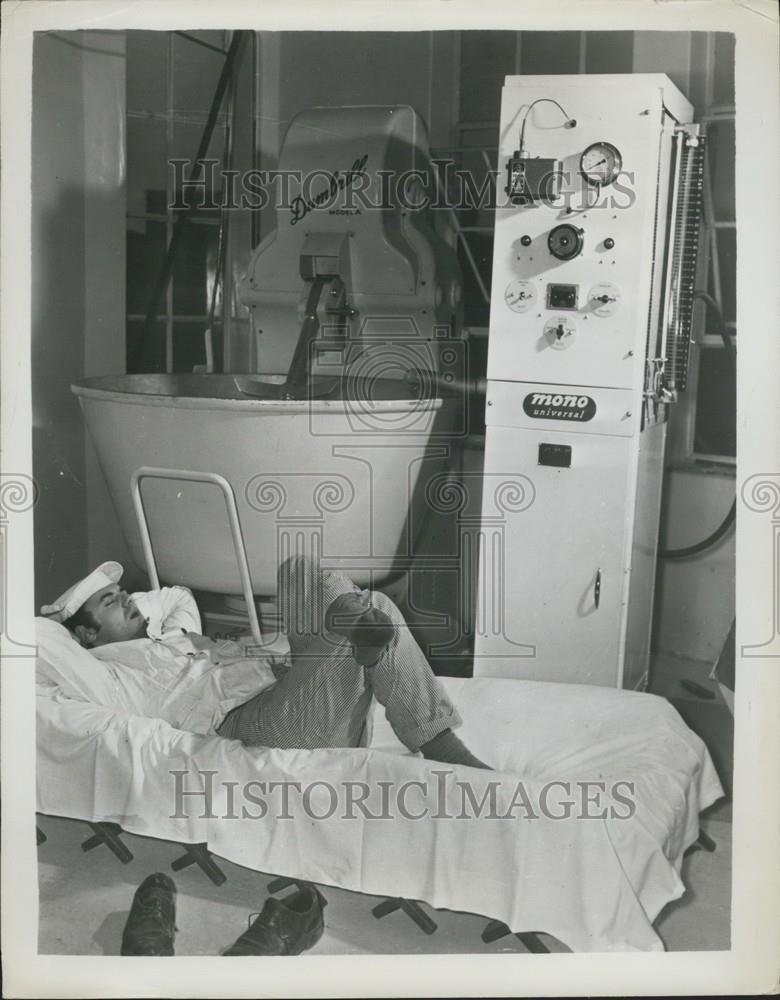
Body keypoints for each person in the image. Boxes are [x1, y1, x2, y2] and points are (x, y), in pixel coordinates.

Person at [41, 557, 490, 769]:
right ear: (86, 634)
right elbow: (39, 640)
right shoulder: (110, 673)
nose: (128, 601)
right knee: (380, 611)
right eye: (111, 603)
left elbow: (178, 597)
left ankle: (350, 623)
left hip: (293, 693)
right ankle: (441, 746)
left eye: (123, 595)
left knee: (299, 569)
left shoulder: (173, 636)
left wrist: (150, 616)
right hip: (257, 725)